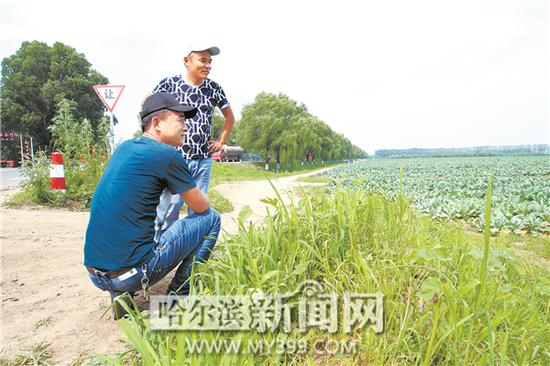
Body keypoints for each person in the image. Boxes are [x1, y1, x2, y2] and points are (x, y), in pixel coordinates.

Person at [84, 93, 221, 319]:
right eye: (180, 120)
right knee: (212, 218)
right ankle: (176, 299)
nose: (186, 126)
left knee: (134, 233)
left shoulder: (125, 148)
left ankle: (121, 295)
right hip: (133, 273)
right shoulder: (166, 154)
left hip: (95, 273)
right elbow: (200, 207)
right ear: (156, 123)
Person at [152, 45, 235, 226]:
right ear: (186, 61)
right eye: (202, 60)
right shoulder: (170, 84)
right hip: (175, 159)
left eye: (210, 62)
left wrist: (221, 141)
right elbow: (147, 105)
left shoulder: (214, 88)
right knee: (170, 208)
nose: (208, 65)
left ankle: (191, 251)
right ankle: (166, 249)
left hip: (202, 161)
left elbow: (229, 117)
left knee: (198, 210)